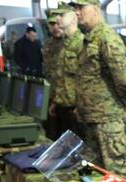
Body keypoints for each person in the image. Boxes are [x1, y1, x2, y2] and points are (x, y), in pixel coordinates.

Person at [71, 0, 126, 180]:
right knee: (98, 174)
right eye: (75, 8)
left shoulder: (107, 37)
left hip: (107, 119)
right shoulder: (88, 38)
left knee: (118, 174)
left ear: (95, 9)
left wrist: (120, 104)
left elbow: (123, 79)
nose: (77, 12)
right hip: (92, 117)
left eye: (81, 7)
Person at [47, 2, 84, 140]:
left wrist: (81, 106)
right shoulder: (63, 44)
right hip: (62, 105)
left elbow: (87, 79)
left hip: (75, 108)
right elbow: (60, 77)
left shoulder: (82, 43)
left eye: (62, 15)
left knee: (76, 148)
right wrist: (55, 101)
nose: (57, 19)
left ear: (74, 18)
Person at [42, 12, 64, 140]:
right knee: (50, 132)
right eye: (51, 24)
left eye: (57, 23)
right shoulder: (47, 45)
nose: (55, 27)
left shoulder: (71, 44)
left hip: (67, 98)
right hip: (51, 96)